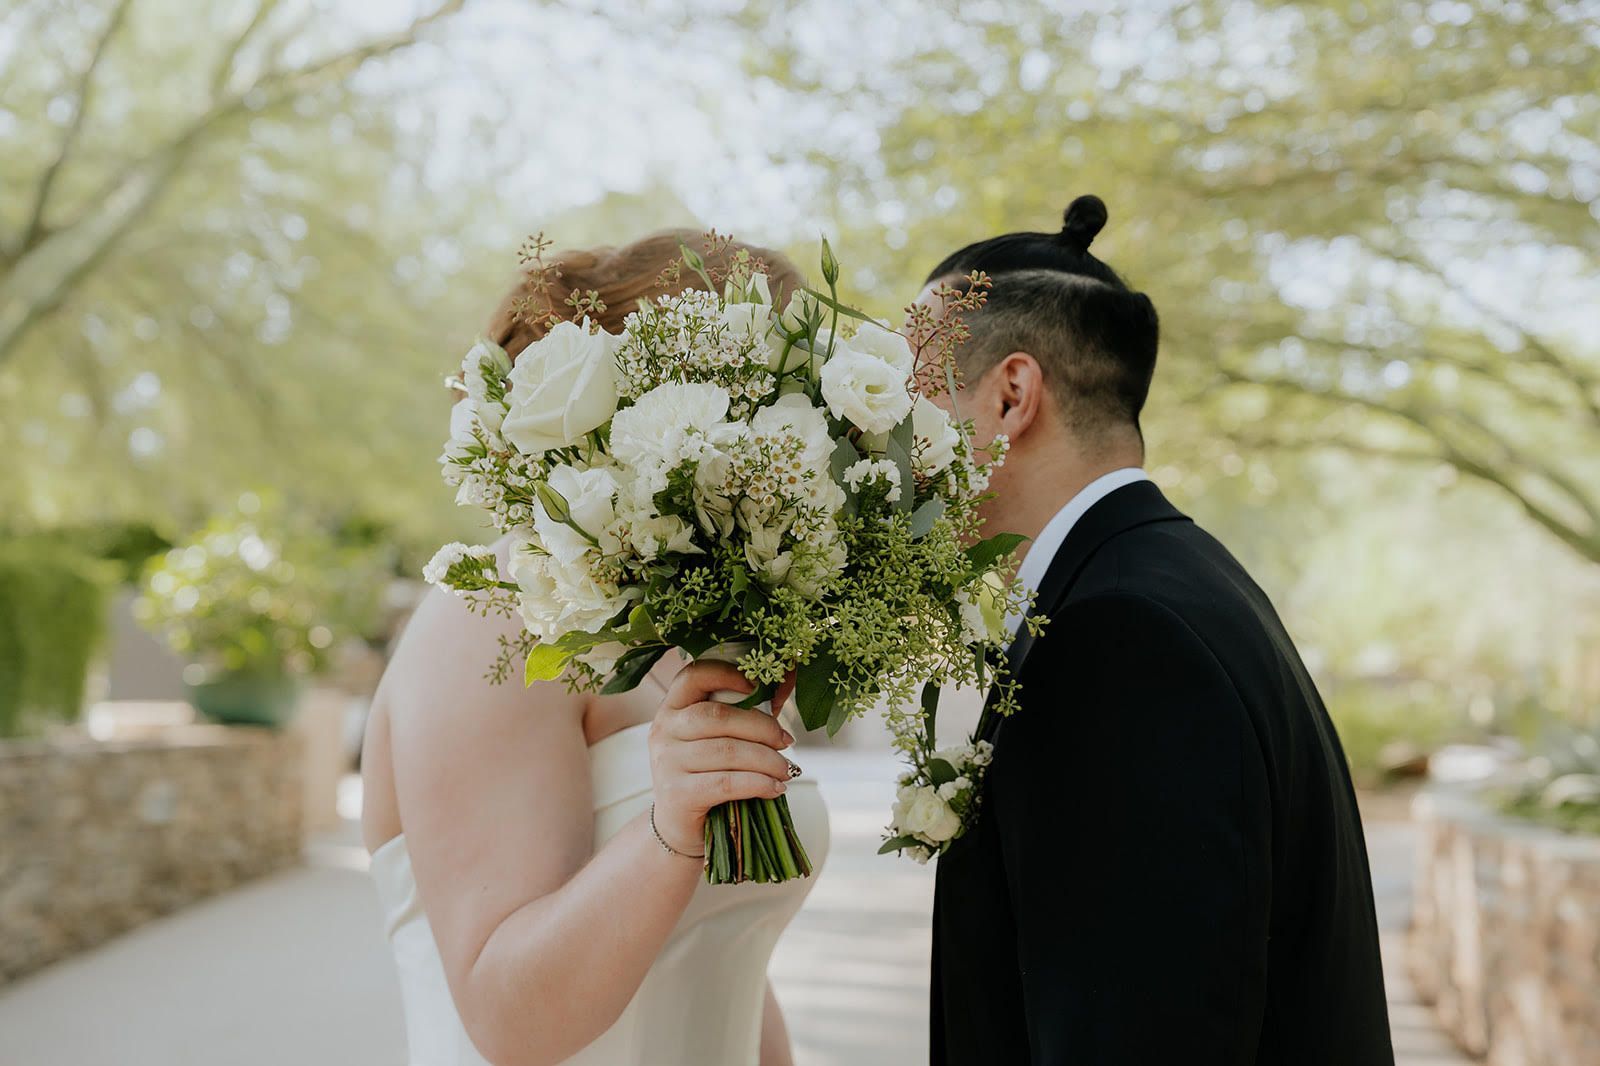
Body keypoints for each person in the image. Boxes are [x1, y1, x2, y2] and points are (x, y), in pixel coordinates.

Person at [919, 197, 1394, 1065]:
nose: (891, 440)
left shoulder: (1118, 643)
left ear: (1011, 396)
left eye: (917, 392)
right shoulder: (1181, 580)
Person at [361, 231, 830, 1066]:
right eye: (783, 392)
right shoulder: (494, 616)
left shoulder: (681, 635)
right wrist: (669, 831)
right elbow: (512, 1022)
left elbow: (721, 952)